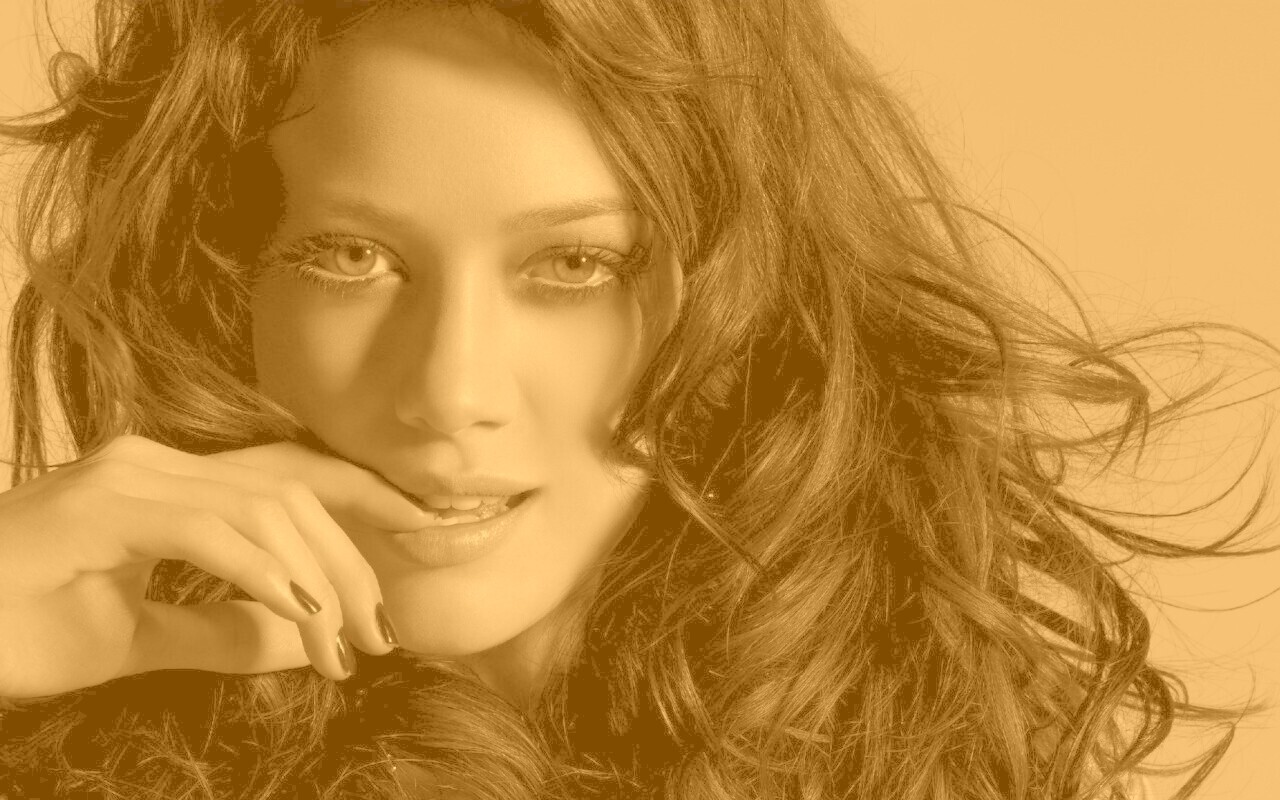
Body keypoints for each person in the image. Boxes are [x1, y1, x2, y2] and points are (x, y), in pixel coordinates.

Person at [0, 0, 1273, 797]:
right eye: (350, 256)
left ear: (751, 300)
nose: (448, 390)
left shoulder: (939, 754)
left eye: (573, 266)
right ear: (226, 286)